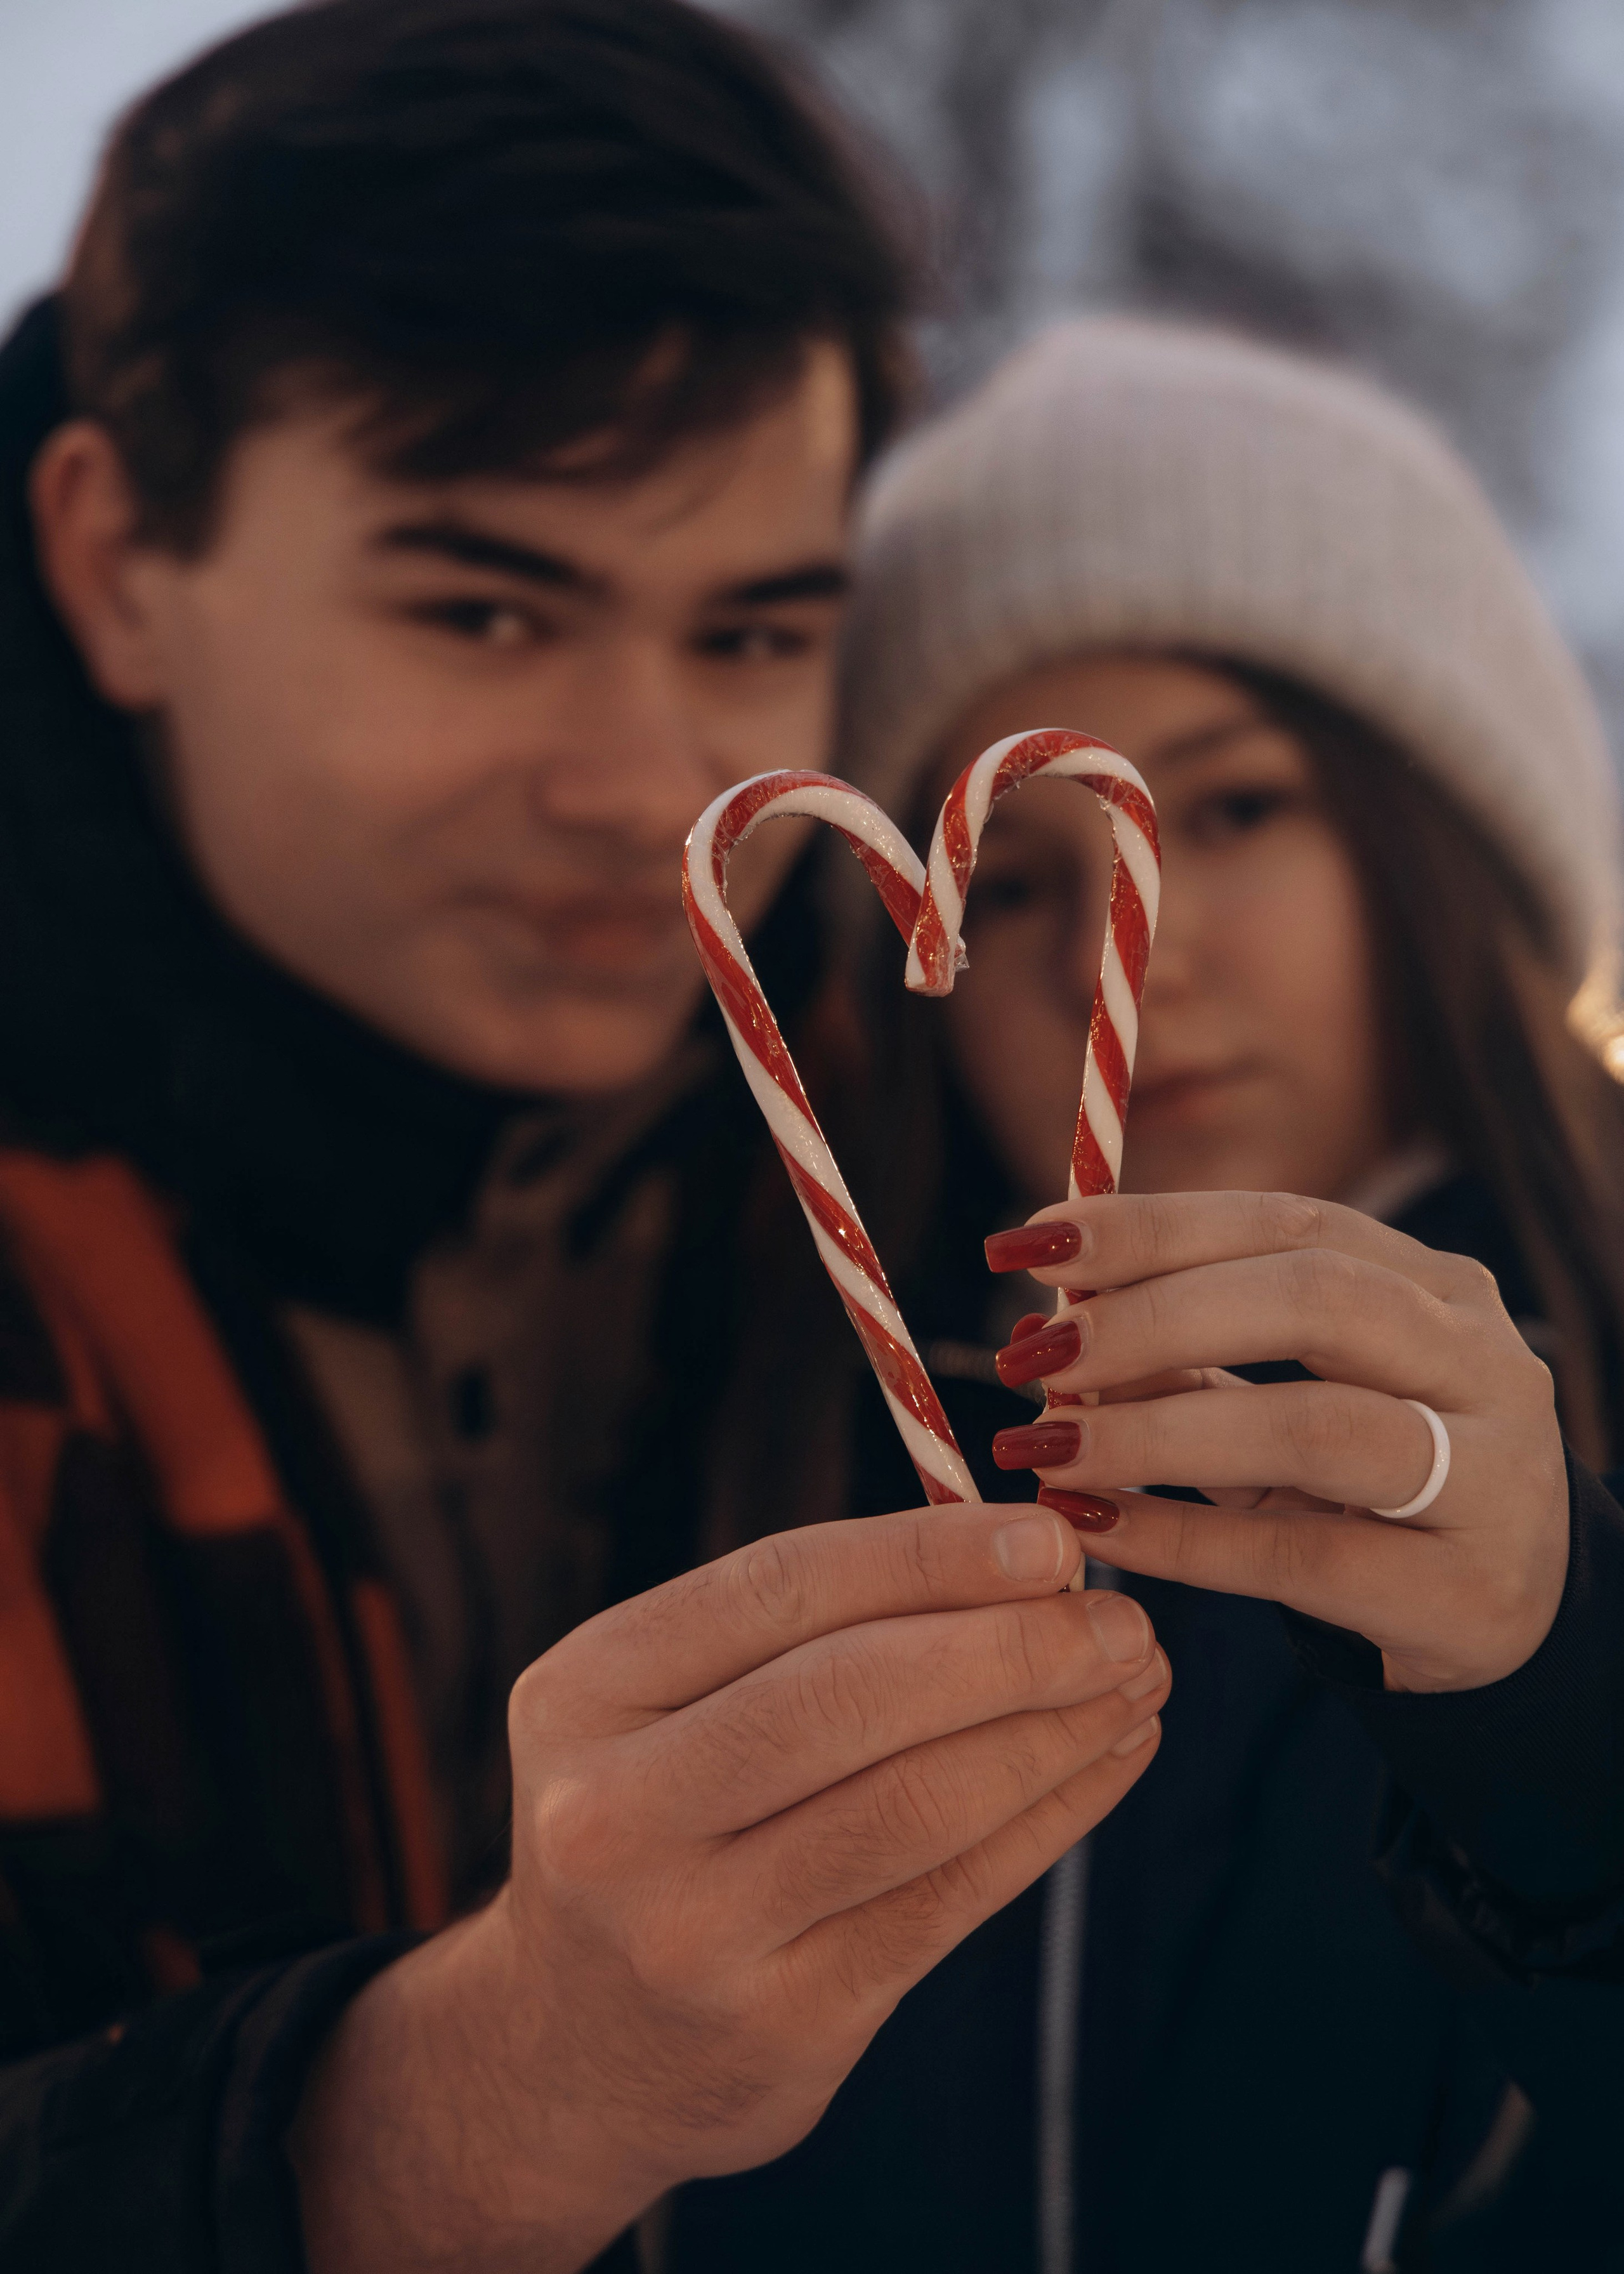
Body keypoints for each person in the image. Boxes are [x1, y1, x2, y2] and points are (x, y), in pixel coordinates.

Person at [0, 14, 1176, 2271]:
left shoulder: (925, 1128)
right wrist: (441, 2116)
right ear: (120, 562)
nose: (650, 787)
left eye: (749, 628)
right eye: (487, 607)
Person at [665, 319, 1624, 2270]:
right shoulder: (761, 1430)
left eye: (1237, 809)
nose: (1126, 944)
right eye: (1003, 881)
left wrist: (1571, 1698)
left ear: (1436, 842)